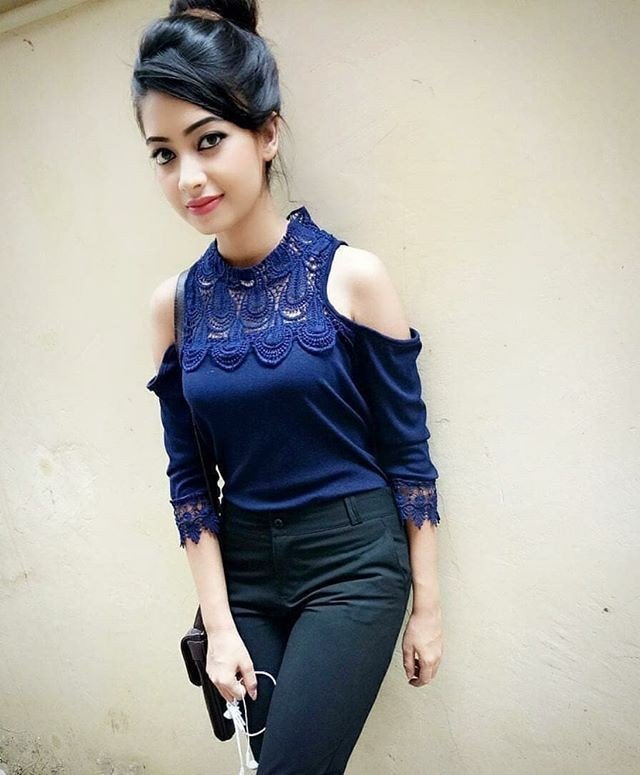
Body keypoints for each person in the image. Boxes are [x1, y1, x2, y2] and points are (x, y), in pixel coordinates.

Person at [133, 1, 444, 772]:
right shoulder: (173, 306)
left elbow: (408, 457)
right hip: (242, 572)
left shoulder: (354, 277)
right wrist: (219, 624)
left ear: (267, 133)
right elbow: (189, 482)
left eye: (209, 140)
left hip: (353, 562)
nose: (189, 177)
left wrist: (428, 608)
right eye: (165, 153)